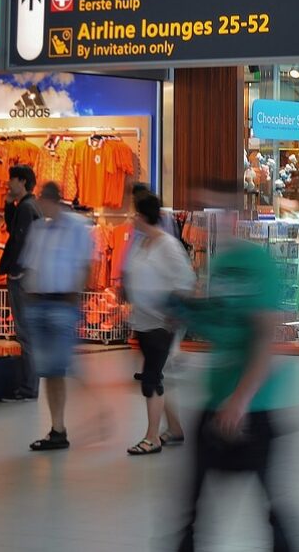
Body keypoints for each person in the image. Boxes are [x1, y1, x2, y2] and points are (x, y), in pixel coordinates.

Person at [169, 182, 299, 552]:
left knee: (273, 505)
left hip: (256, 405)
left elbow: (264, 337)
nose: (217, 221)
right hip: (218, 399)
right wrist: (183, 311)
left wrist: (241, 400)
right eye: (210, 213)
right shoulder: (218, 264)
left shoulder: (258, 263)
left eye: (224, 212)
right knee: (191, 504)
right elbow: (222, 326)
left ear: (239, 217)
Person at [122, 191, 195, 456]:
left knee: (151, 379)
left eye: (134, 213)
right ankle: (174, 428)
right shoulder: (142, 244)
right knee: (157, 376)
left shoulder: (167, 245)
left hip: (160, 323)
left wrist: (174, 314)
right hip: (142, 321)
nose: (132, 218)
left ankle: (151, 437)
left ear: (142, 216)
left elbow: (186, 281)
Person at [21, 182, 92, 451]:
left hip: (63, 303)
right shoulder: (40, 229)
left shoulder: (76, 226)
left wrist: (76, 295)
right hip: (40, 304)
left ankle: (99, 411)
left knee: (63, 366)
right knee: (50, 370)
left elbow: (86, 264)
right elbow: (31, 264)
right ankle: (57, 429)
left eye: (43, 200)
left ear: (52, 200)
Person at [0, 164, 41, 401]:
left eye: (11, 180)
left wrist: (15, 272)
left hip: (22, 277)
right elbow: (13, 228)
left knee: (25, 333)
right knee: (27, 332)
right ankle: (28, 386)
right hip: (29, 276)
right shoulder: (28, 206)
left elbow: (18, 241)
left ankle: (27, 388)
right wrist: (7, 202)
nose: (8, 183)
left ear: (22, 181)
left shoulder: (27, 208)